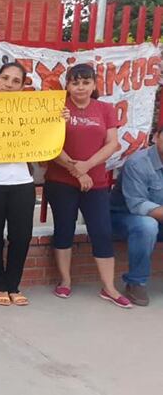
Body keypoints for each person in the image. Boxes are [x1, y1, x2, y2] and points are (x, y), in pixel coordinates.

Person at [0, 62, 68, 306]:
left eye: (15, 81)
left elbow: (46, 140)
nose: (9, 84)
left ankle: (14, 285)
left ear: (21, 86)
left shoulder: (31, 112)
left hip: (22, 182)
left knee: (22, 236)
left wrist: (59, 121)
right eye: (5, 78)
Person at [45, 63, 131, 308]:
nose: (80, 87)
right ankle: (65, 281)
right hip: (61, 181)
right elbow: (48, 143)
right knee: (64, 229)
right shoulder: (58, 107)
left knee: (102, 231)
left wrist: (87, 166)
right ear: (67, 85)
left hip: (97, 182)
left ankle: (109, 287)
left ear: (94, 85)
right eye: (75, 82)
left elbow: (112, 143)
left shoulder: (105, 109)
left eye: (85, 82)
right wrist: (76, 170)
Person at [109, 126, 163, 306]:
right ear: (156, 137)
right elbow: (137, 204)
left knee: (151, 224)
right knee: (147, 225)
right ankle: (136, 282)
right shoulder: (138, 162)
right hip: (123, 218)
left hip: (158, 217)